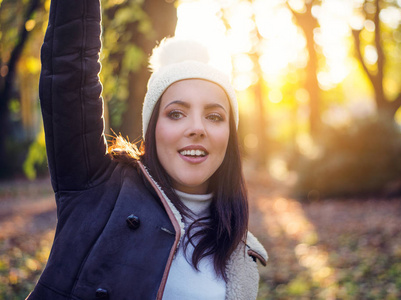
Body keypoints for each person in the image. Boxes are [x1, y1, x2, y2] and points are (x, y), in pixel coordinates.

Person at [27, 0, 267, 299]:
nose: (197, 128)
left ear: (230, 136)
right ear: (151, 129)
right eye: (176, 113)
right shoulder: (97, 189)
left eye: (214, 116)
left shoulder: (241, 255)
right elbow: (69, 72)